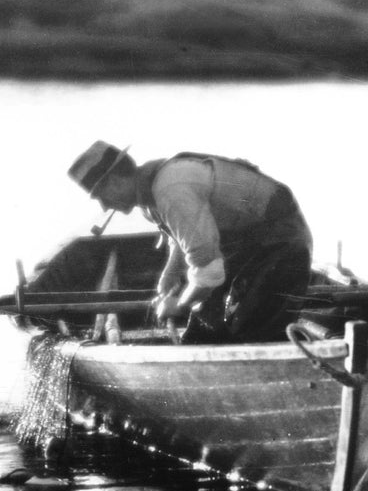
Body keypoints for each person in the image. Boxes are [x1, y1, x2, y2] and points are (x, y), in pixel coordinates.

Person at [67, 141, 313, 343]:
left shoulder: (171, 190)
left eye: (102, 196)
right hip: (247, 246)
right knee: (205, 325)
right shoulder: (147, 196)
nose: (105, 206)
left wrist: (179, 305)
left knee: (246, 329)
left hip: (283, 243)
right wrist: (170, 274)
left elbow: (210, 271)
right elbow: (181, 237)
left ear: (115, 181)